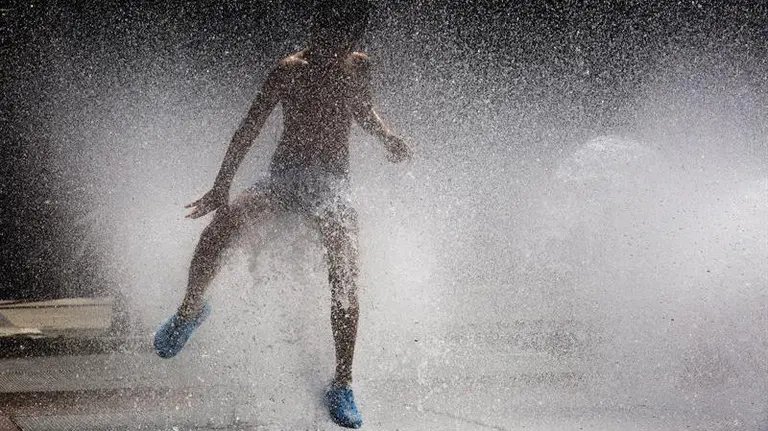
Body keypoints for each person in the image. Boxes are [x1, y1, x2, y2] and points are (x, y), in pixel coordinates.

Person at [153, 1, 411, 428]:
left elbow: (362, 110)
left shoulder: (358, 69)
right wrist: (222, 185)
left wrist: (386, 137)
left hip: (331, 185)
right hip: (285, 179)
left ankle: (343, 382)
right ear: (315, 29)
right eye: (322, 36)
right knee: (222, 228)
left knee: (345, 269)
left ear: (352, 42)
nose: (327, 48)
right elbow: (250, 126)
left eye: (338, 41)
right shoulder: (290, 69)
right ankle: (189, 311)